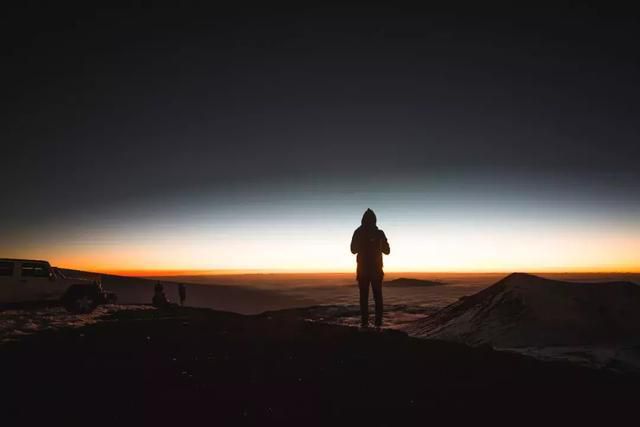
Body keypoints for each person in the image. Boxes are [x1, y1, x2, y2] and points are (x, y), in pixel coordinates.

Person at [350, 208, 390, 330]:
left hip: (363, 270)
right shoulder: (379, 233)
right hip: (376, 270)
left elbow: (353, 250)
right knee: (377, 297)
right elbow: (387, 251)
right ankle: (378, 324)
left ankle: (364, 323)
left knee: (364, 297)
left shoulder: (358, 232)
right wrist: (379, 242)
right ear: (375, 220)